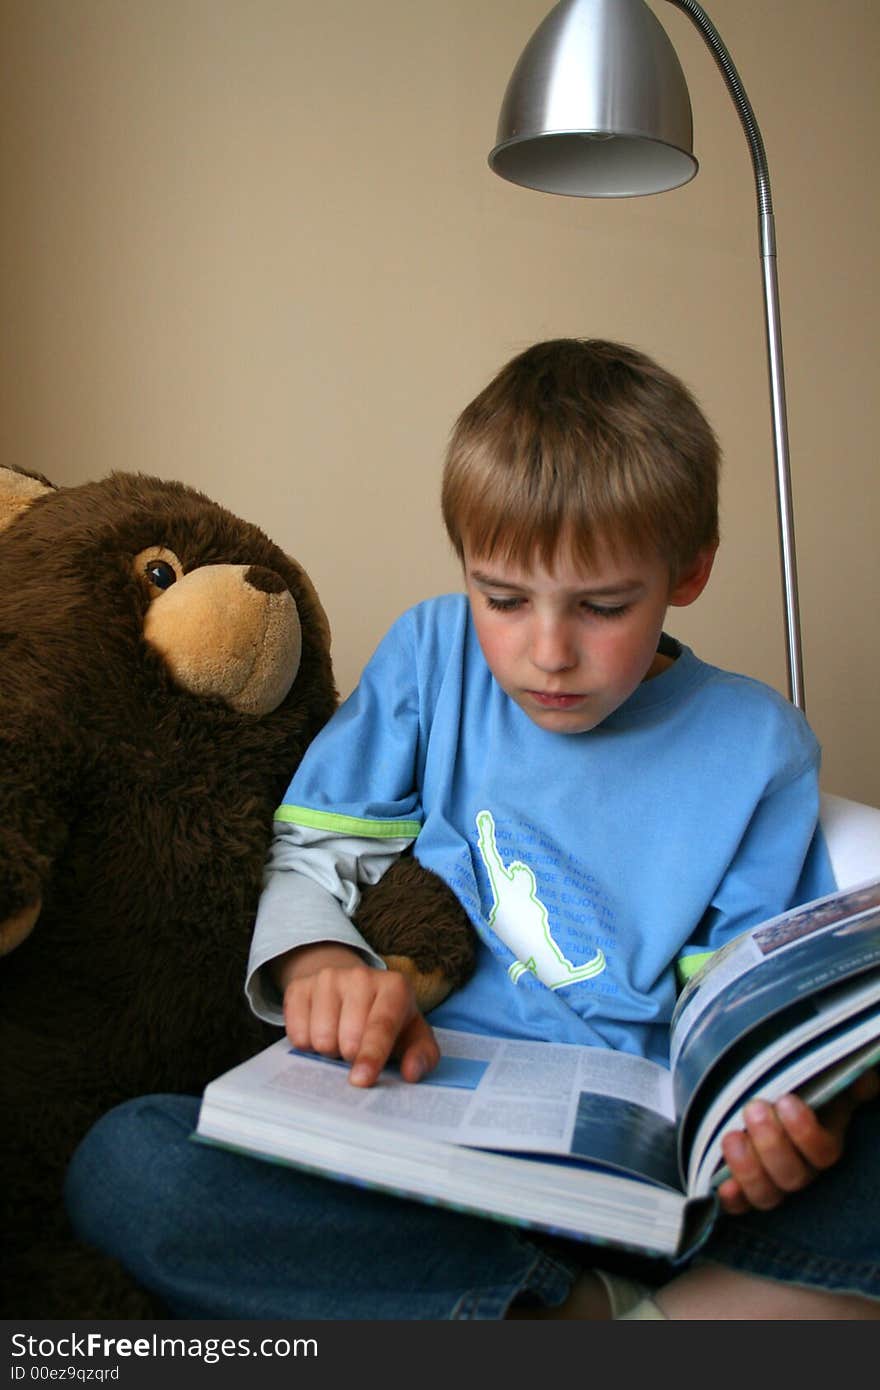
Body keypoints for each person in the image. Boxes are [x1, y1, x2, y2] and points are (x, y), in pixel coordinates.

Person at [65, 339, 879, 1320]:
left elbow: (739, 1008)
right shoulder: (429, 657)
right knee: (131, 1163)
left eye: (602, 606)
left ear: (688, 570)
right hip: (416, 1145)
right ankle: (587, 1311)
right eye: (501, 598)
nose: (547, 652)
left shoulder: (759, 745)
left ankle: (553, 1304)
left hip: (647, 1172)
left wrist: (790, 1117)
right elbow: (316, 855)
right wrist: (321, 964)